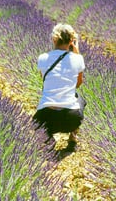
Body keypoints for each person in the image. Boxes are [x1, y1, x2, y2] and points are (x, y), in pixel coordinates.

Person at [33, 23, 86, 155]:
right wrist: (76, 51)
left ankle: (48, 138)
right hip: (70, 119)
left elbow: (46, 82)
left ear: (54, 40)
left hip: (45, 118)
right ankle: (73, 137)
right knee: (80, 99)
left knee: (39, 124)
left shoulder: (43, 58)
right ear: (71, 41)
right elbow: (78, 84)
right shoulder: (77, 59)